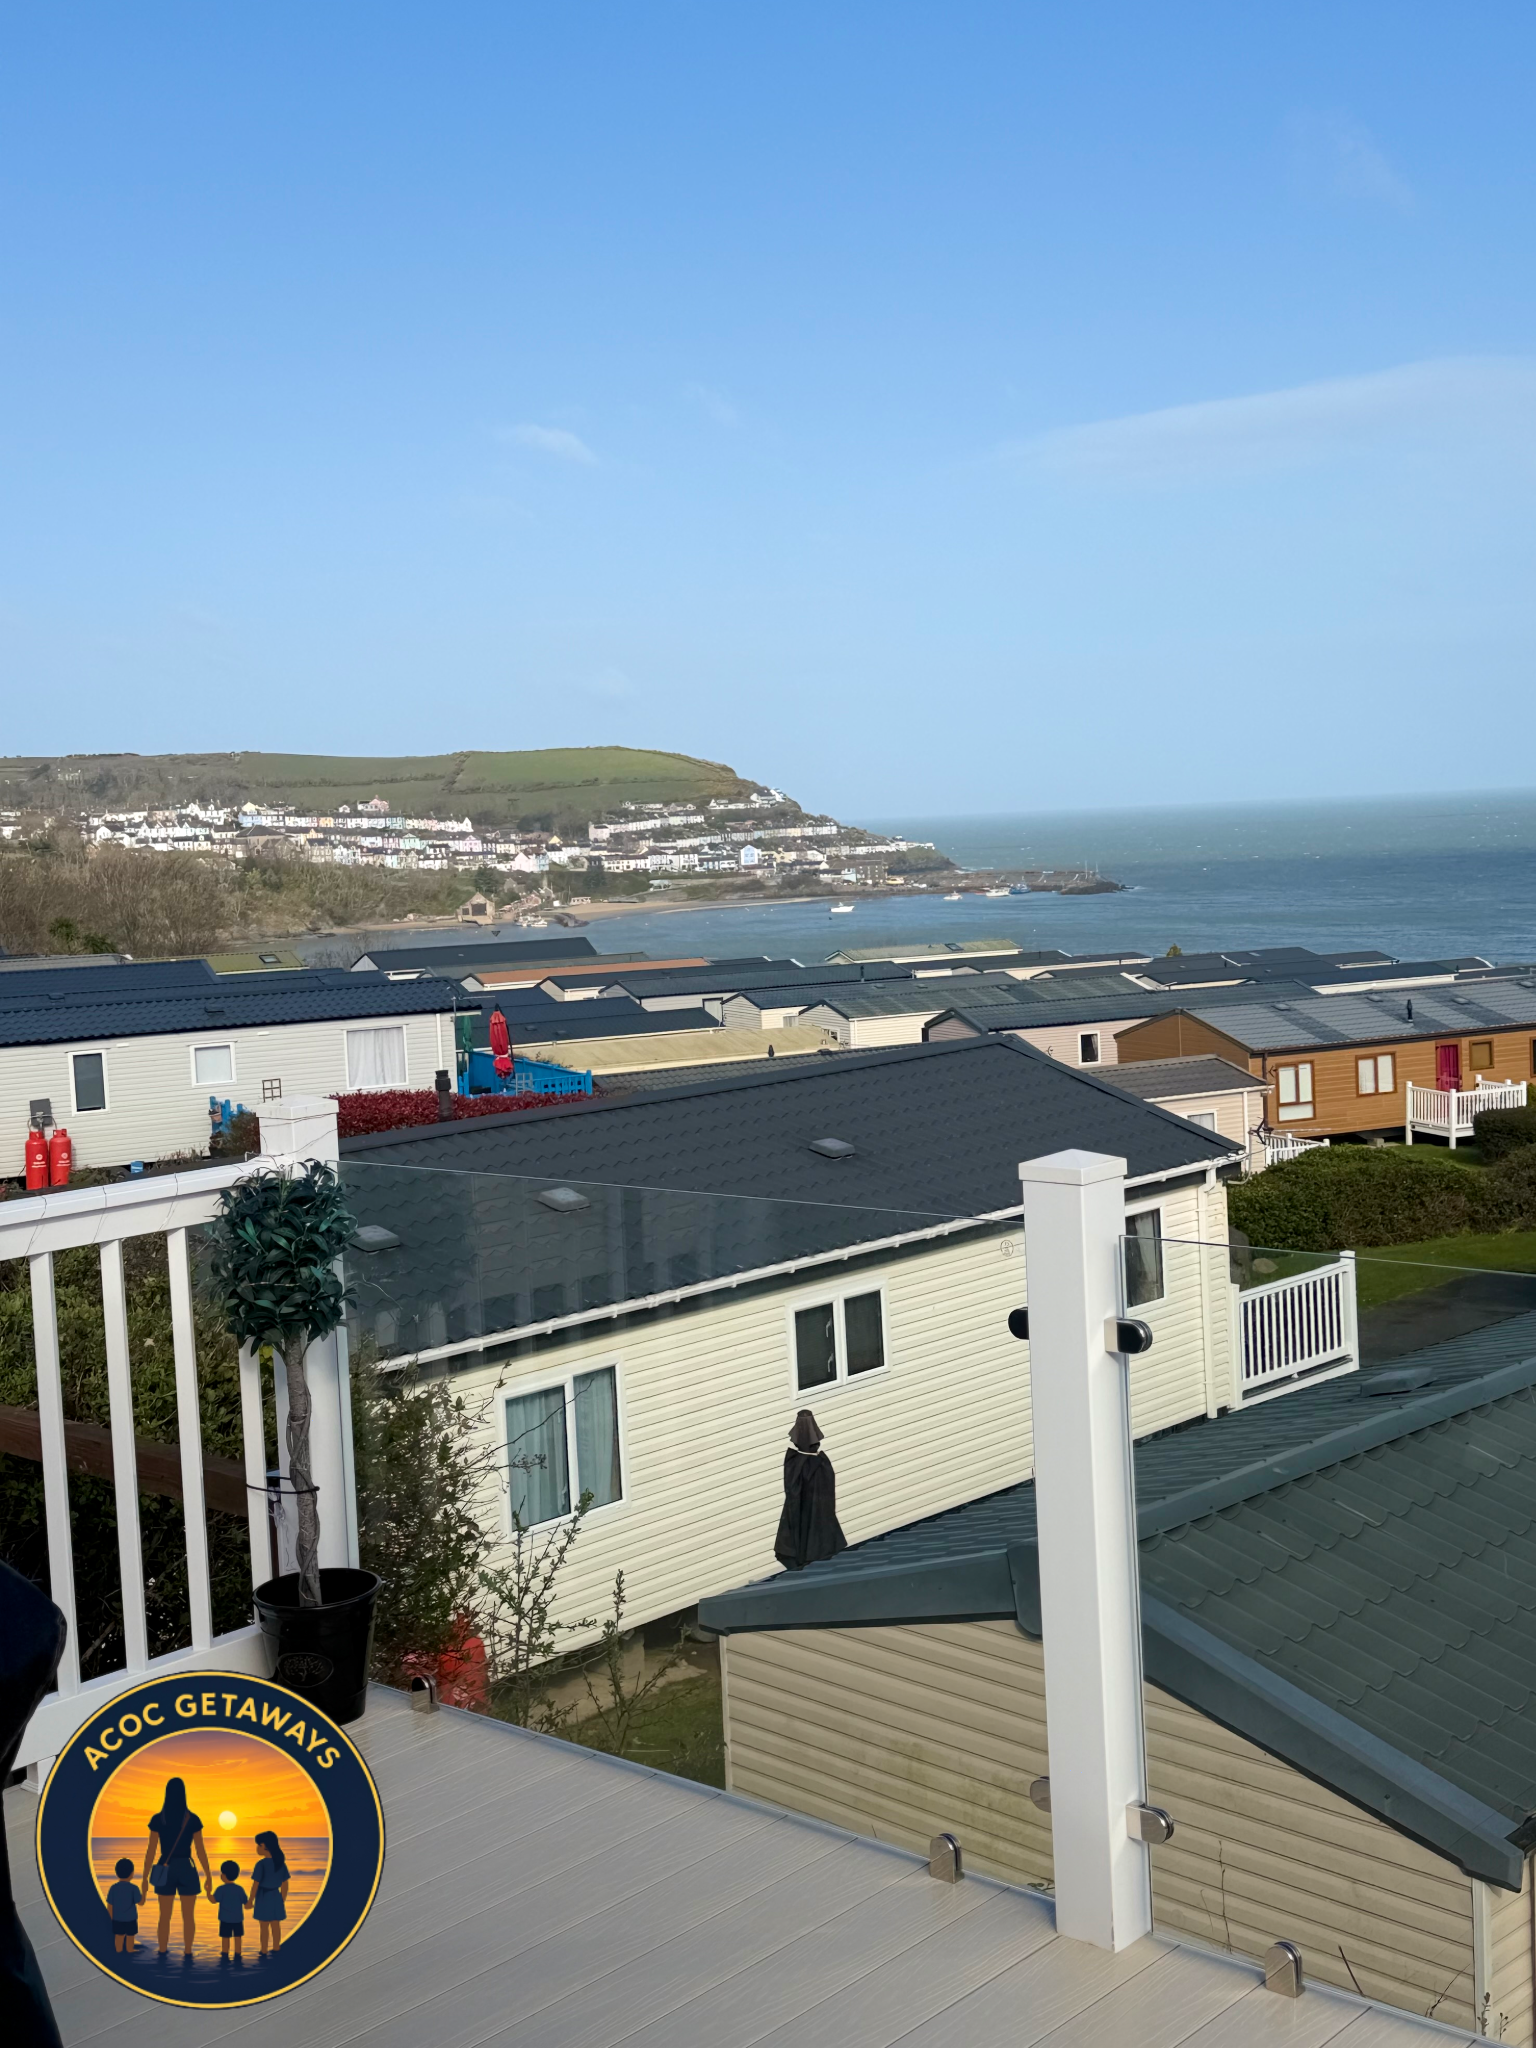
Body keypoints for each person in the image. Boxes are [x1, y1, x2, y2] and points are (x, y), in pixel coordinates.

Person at [140, 1776, 211, 1958]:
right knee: (188, 1916)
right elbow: (200, 1851)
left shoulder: (158, 1819)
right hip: (186, 1868)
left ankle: (163, 1951)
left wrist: (144, 1879)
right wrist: (208, 1876)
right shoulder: (192, 1819)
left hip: (165, 1868)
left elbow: (151, 1851)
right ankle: (187, 1952)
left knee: (164, 1916)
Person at [250, 1832, 289, 1954]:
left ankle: (264, 1950)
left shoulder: (261, 1864)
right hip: (276, 1896)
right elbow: (285, 1883)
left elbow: (255, 1884)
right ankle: (276, 1947)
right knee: (275, 1924)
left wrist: (250, 1900)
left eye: (258, 1845)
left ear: (263, 1845)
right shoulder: (280, 1863)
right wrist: (282, 1898)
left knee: (264, 1926)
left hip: (263, 1896)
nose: (257, 1848)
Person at [210, 1861, 246, 1961]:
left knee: (225, 1938)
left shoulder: (221, 1889)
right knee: (238, 1937)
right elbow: (245, 1902)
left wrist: (208, 1892)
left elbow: (213, 1900)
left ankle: (225, 1954)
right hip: (238, 1919)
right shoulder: (239, 1889)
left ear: (224, 1875)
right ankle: (238, 1954)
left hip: (225, 1919)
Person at [105, 1858, 141, 1954]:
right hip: (131, 1918)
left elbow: (110, 1905)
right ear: (132, 1873)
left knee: (119, 1936)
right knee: (130, 1936)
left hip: (117, 1919)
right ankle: (130, 1949)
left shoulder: (113, 1888)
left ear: (117, 1873)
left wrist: (111, 1918)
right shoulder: (134, 1888)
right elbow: (140, 1902)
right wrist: (144, 1893)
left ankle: (118, 1950)